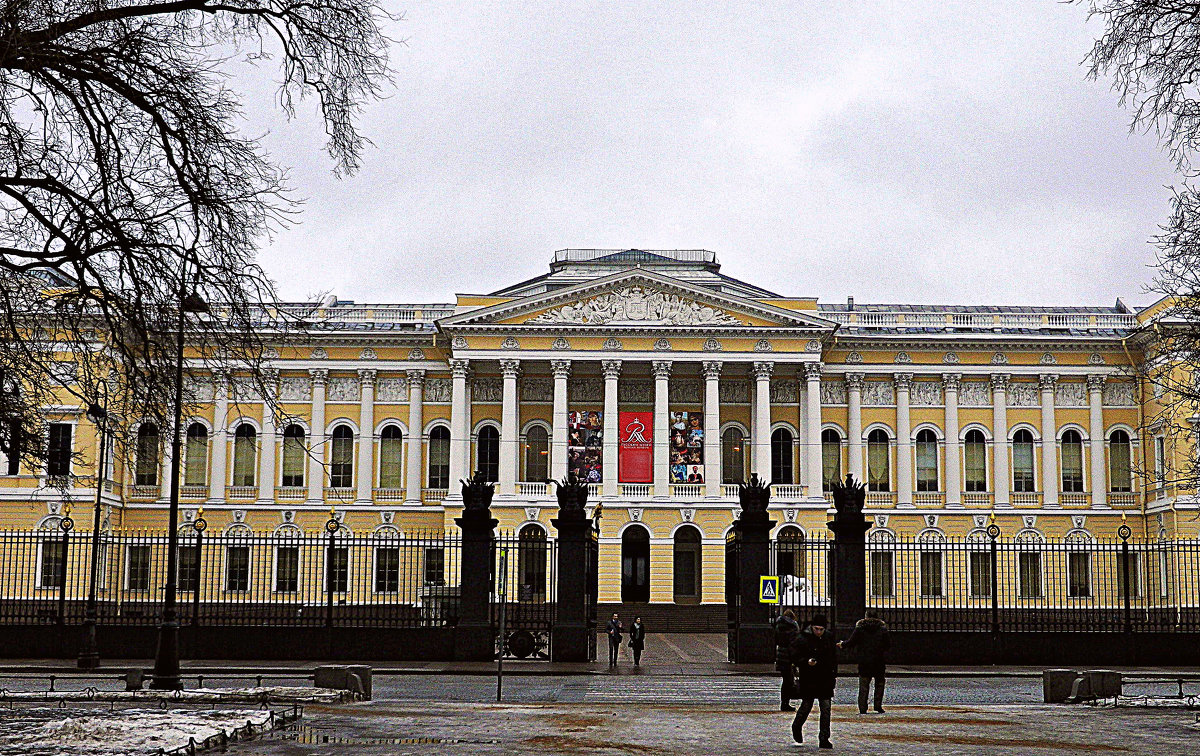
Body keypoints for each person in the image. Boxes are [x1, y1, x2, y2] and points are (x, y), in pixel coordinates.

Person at [789, 613, 837, 749]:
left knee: (826, 708)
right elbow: (794, 655)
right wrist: (806, 662)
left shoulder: (828, 637)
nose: (819, 632)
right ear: (812, 627)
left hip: (825, 677)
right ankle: (797, 725)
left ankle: (824, 738)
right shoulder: (803, 637)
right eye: (816, 629)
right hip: (809, 677)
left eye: (821, 629)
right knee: (806, 706)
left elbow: (833, 658)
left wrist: (834, 675)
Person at [838, 609, 890, 714]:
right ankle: (878, 706)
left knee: (864, 685)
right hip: (878, 660)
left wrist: (842, 644)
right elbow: (888, 645)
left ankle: (863, 707)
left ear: (865, 616)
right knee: (879, 684)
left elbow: (851, 641)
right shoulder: (882, 629)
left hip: (864, 660)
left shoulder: (860, 628)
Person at [772, 609, 800, 711]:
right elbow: (794, 643)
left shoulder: (779, 626)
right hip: (789, 656)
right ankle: (785, 704)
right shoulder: (793, 626)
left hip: (781, 654)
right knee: (788, 681)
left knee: (786, 681)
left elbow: (775, 639)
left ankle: (784, 703)